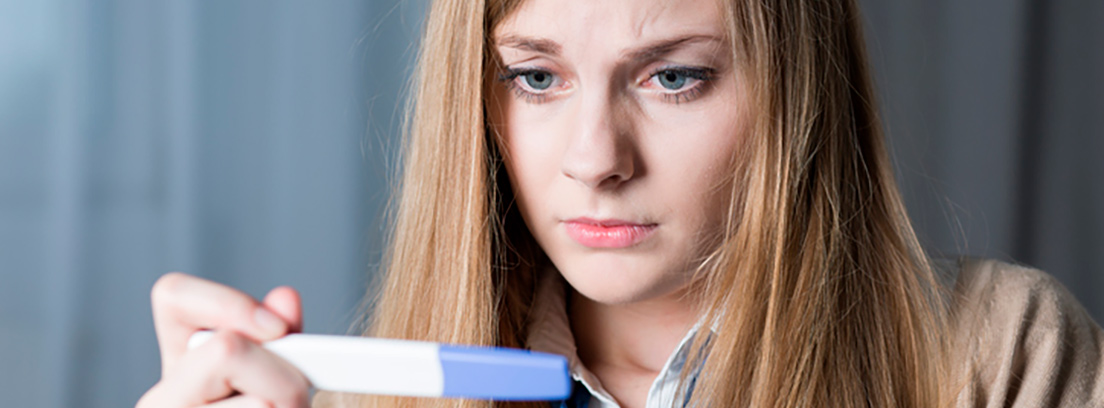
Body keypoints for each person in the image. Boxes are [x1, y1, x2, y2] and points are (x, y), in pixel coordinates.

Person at [135, 0, 1104, 407]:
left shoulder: (996, 351)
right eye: (535, 78)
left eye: (674, 78)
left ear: (797, 90)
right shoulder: (361, 392)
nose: (595, 160)